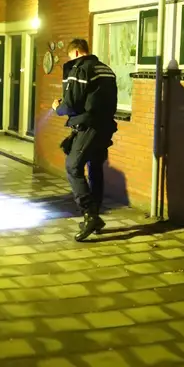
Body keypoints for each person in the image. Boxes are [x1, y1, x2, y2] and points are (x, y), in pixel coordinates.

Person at [52, 38, 118, 242]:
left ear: (77, 53)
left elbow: (72, 102)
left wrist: (58, 108)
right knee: (95, 168)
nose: (71, 60)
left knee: (73, 167)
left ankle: (89, 215)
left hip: (88, 126)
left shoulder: (81, 68)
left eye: (71, 57)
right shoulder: (106, 69)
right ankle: (96, 215)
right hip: (105, 126)